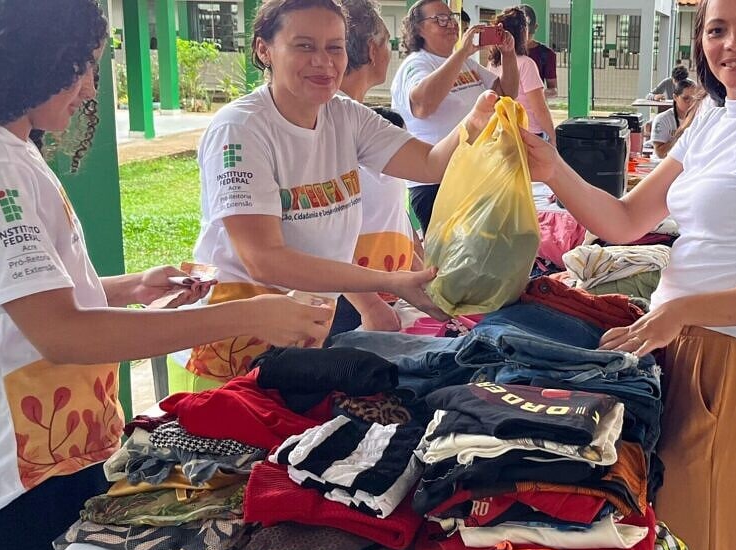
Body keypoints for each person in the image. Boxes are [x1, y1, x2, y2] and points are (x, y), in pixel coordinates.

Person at [0, 0, 331, 550]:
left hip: (47, 445)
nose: (90, 88)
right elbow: (62, 332)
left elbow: (25, 298)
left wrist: (133, 286)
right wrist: (251, 315)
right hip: (17, 465)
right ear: (29, 59)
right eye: (80, 66)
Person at [519, 0, 736, 550]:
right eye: (717, 29)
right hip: (671, 342)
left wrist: (682, 311)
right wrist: (551, 169)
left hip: (731, 354)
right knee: (666, 533)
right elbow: (624, 220)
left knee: (710, 540)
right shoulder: (712, 116)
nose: (733, 43)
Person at [176, 0, 507, 391]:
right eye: (304, 46)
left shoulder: (344, 115)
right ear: (264, 49)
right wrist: (387, 282)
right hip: (231, 340)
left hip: (304, 328)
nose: (324, 61)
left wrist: (476, 120)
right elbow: (264, 259)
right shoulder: (241, 130)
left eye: (335, 47)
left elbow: (429, 164)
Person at [331, 0, 425, 335]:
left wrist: (418, 265)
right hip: (344, 302)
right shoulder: (324, 123)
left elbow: (391, 208)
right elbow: (313, 229)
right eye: (388, 43)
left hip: (382, 295)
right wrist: (368, 304)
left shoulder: (361, 119)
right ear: (373, 49)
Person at [390, 0, 519, 232]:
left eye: (452, 17)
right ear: (419, 29)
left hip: (474, 175)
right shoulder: (416, 64)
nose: (450, 24)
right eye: (440, 19)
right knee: (449, 253)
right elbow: (423, 105)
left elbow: (505, 93)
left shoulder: (466, 64)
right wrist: (461, 52)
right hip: (436, 184)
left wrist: (508, 55)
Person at [487, 7, 556, 144]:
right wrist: (553, 137)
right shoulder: (526, 64)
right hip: (529, 133)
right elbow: (540, 109)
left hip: (503, 131)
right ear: (523, 32)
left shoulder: (492, 63)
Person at [650, 77, 701, 158]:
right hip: (665, 162)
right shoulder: (662, 119)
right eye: (686, 98)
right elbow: (660, 153)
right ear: (675, 97)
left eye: (694, 99)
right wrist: (681, 131)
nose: (691, 102)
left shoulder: (701, 118)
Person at [519, 4, 558, 99]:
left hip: (534, 106)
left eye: (528, 32)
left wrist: (535, 93)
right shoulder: (504, 51)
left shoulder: (546, 54)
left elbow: (553, 90)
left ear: (535, 27)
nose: (524, 37)